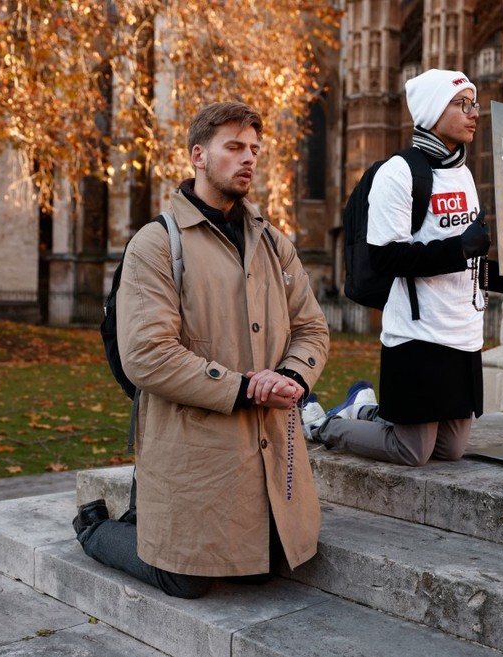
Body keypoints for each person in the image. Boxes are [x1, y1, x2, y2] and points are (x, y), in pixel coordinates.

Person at [73, 101, 330, 598]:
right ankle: (96, 531)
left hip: (270, 442)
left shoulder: (275, 243)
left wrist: (293, 377)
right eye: (233, 147)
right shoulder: (155, 243)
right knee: (186, 577)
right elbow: (146, 353)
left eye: (254, 149)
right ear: (198, 155)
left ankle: (145, 518)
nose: (248, 158)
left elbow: (313, 328)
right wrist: (241, 388)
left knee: (271, 563)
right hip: (195, 443)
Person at [302, 69, 503, 467]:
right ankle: (322, 425)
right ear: (432, 112)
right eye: (462, 104)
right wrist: (459, 248)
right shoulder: (399, 173)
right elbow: (385, 258)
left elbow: (469, 266)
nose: (474, 113)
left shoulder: (464, 174)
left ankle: (366, 409)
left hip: (463, 334)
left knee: (449, 450)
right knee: (411, 450)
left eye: (473, 103)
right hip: (418, 335)